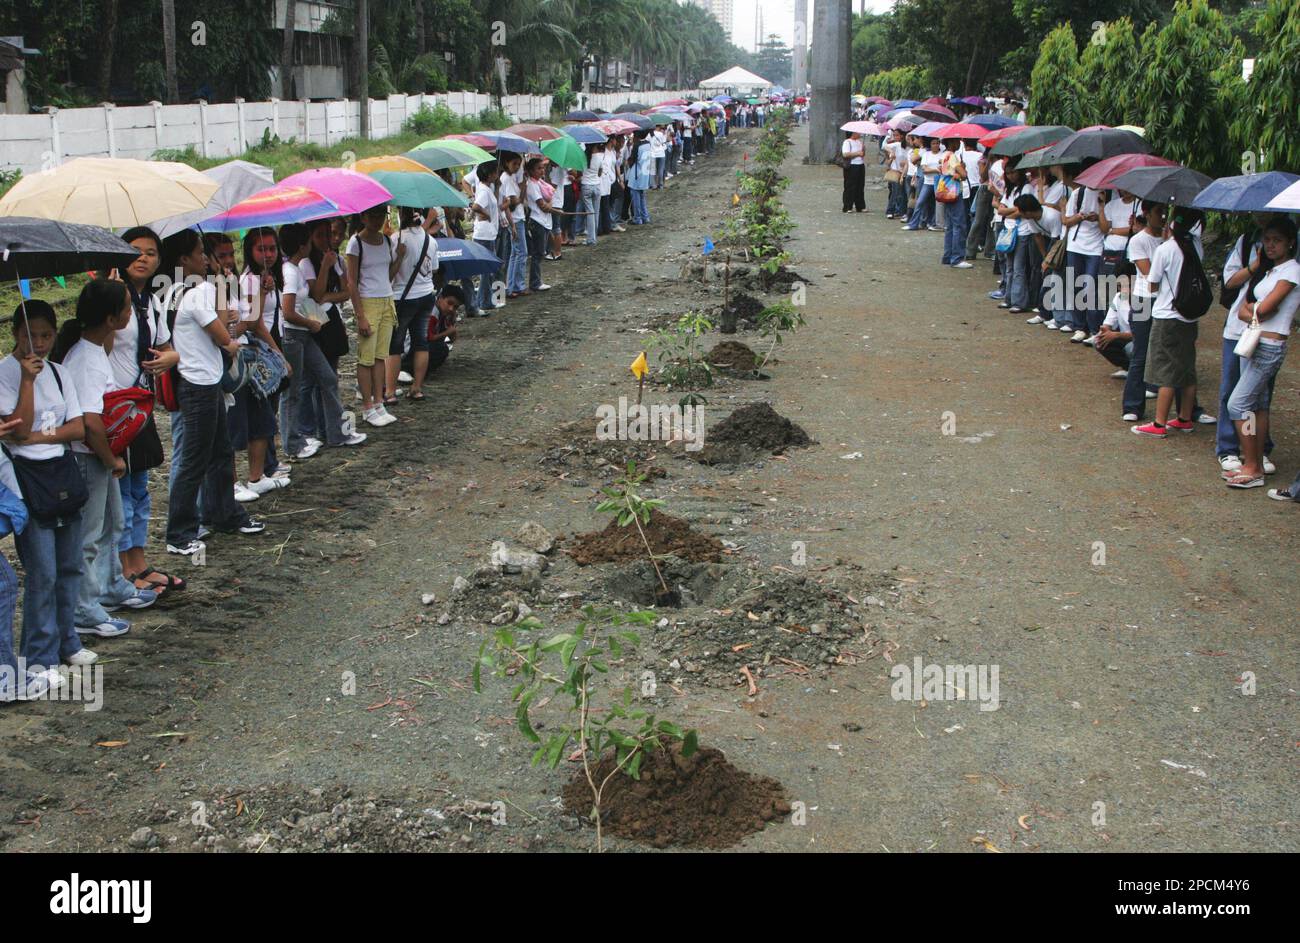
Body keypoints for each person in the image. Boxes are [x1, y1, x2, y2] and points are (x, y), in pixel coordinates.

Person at [52, 279, 158, 637]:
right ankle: (83, 609)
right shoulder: (85, 359)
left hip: (99, 456)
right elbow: (90, 422)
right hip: (88, 458)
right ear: (112, 319)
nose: (133, 312)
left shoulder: (98, 347)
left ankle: (111, 584)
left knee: (113, 522)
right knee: (88, 535)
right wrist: (110, 459)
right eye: (127, 307)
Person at [0, 301, 93, 691]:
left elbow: (78, 428)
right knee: (43, 571)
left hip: (61, 472)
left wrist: (41, 437)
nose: (37, 343)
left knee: (70, 564)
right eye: (29, 335)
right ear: (15, 335)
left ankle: (66, 640)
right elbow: (17, 431)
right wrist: (25, 381)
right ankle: (38, 656)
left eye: (44, 335)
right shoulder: (6, 373)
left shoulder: (58, 373)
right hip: (26, 478)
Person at [160, 229, 264, 557]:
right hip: (199, 384)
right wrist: (219, 287)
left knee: (220, 452)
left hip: (201, 381)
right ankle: (180, 532)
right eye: (199, 253)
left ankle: (223, 514)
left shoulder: (174, 290)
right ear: (183, 259)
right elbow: (223, 334)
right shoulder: (192, 293)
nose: (205, 258)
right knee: (195, 459)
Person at [110, 226, 186, 600]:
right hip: (114, 408)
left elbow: (165, 346)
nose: (143, 257)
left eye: (151, 252)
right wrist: (110, 298)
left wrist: (172, 357)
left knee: (140, 489)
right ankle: (124, 569)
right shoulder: (111, 297)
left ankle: (140, 561)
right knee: (121, 491)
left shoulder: (151, 302)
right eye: (135, 251)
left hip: (140, 405)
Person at [1223, 216, 1298, 488]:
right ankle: (1252, 461)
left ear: (1290, 242)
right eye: (1267, 240)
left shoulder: (1291, 271)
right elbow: (1249, 307)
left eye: (1277, 240)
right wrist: (1255, 311)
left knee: (1237, 404)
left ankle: (1253, 465)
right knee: (1256, 405)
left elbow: (1265, 309)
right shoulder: (1269, 271)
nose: (1270, 245)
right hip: (1254, 340)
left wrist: (1255, 310)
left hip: (1269, 345)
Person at [1133, 207, 1202, 438]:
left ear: (1172, 223)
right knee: (1187, 367)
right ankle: (1184, 417)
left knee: (1165, 369)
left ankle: (1159, 423)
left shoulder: (1166, 249)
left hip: (1167, 314)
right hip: (1189, 315)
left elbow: (1152, 283)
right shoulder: (1197, 245)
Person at [1216, 215, 1276, 475]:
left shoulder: (1288, 263)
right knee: (1231, 389)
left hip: (1266, 333)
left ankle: (1253, 448)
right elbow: (1229, 281)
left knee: (1256, 396)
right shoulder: (1245, 243)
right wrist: (1255, 265)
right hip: (1238, 329)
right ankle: (1228, 447)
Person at [234, 228, 291, 494]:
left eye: (271, 248)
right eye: (261, 249)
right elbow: (255, 324)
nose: (268, 254)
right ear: (250, 251)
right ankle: (265, 466)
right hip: (261, 347)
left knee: (269, 408)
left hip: (272, 339)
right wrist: (278, 354)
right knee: (263, 409)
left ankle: (266, 467)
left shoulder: (268, 278)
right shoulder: (248, 281)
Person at [347, 203, 404, 427]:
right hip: (368, 301)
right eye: (374, 215)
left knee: (381, 356)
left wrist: (399, 258)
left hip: (386, 299)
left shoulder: (386, 241)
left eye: (382, 214)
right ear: (363, 216)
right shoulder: (355, 243)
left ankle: (379, 402)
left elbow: (387, 274)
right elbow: (352, 282)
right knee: (366, 358)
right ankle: (368, 406)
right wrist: (360, 314)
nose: (378, 219)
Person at [390, 207, 439, 401]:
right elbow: (434, 268)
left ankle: (390, 392)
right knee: (421, 342)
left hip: (402, 296)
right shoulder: (431, 240)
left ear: (401, 215)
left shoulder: (396, 239)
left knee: (394, 346)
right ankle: (417, 387)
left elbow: (390, 271)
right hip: (426, 294)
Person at [498, 152, 529, 299]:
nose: (517, 167)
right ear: (506, 163)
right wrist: (523, 187)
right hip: (515, 219)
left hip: (517, 218)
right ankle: (517, 285)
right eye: (514, 164)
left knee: (516, 253)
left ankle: (512, 285)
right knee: (520, 253)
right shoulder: (507, 179)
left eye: (518, 164)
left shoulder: (509, 178)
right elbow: (514, 201)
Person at [523, 158, 555, 292]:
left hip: (544, 220)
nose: (542, 170)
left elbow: (549, 200)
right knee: (538, 253)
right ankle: (535, 282)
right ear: (531, 171)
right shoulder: (532, 185)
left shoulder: (540, 183)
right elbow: (542, 205)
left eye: (542, 168)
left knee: (542, 251)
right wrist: (552, 208)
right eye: (538, 168)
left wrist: (550, 205)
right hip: (538, 220)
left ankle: (536, 280)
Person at [940, 139, 969, 266]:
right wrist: (962, 170)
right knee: (959, 225)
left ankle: (948, 255)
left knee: (950, 226)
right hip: (954, 192)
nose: (959, 143)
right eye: (957, 141)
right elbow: (963, 175)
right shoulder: (952, 157)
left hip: (946, 192)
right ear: (952, 142)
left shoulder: (944, 155)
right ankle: (957, 257)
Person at [903, 137, 941, 232]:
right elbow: (924, 170)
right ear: (930, 145)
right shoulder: (926, 154)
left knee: (935, 204)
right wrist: (936, 170)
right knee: (920, 202)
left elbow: (942, 168)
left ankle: (932, 223)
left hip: (939, 183)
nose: (936, 145)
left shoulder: (943, 154)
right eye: (933, 143)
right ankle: (914, 223)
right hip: (927, 182)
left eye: (937, 143)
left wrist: (931, 169)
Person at [627, 133, 654, 225]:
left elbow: (632, 159)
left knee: (636, 196)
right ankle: (645, 216)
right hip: (645, 172)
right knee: (642, 195)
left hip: (636, 173)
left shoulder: (637, 145)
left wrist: (628, 160)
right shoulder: (648, 143)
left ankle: (637, 218)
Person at [579, 145, 603, 247]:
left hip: (586, 185)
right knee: (596, 213)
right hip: (597, 186)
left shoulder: (582, 156)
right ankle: (594, 237)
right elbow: (600, 172)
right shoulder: (599, 156)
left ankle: (591, 239)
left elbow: (580, 172)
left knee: (590, 213)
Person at [841, 131, 866, 213]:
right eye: (857, 132)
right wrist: (857, 153)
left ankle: (860, 205)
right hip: (851, 165)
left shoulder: (859, 142)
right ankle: (848, 206)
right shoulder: (847, 142)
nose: (859, 133)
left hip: (860, 164)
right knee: (850, 186)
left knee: (860, 186)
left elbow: (862, 154)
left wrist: (863, 150)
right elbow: (845, 154)